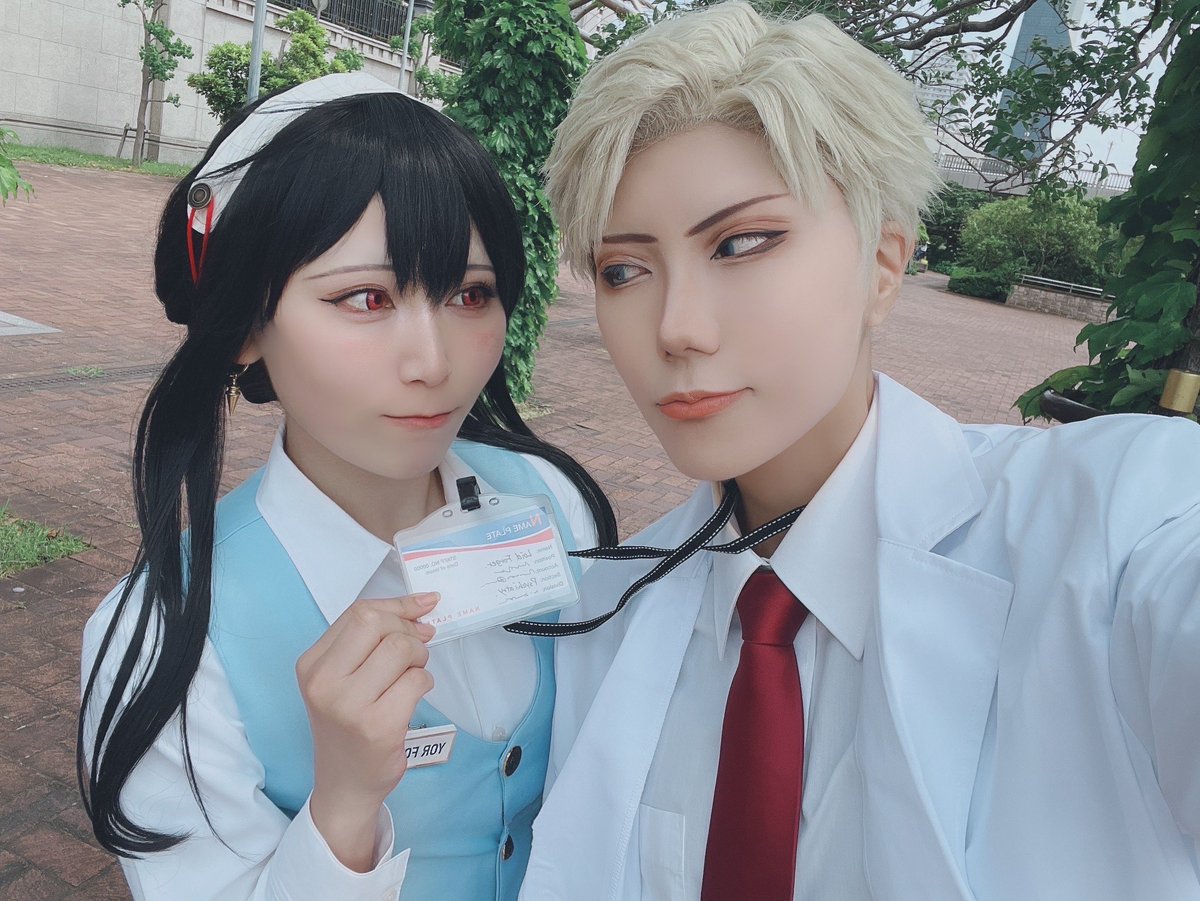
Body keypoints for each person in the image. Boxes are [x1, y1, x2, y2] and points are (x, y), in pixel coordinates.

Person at [520, 4, 1200, 900]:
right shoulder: (604, 614)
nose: (676, 327)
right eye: (623, 270)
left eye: (742, 243)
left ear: (883, 265)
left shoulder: (1113, 528)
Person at [78, 72, 615, 901]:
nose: (433, 361)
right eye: (366, 297)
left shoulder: (554, 500)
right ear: (245, 325)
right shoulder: (165, 641)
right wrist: (343, 807)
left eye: (470, 294)